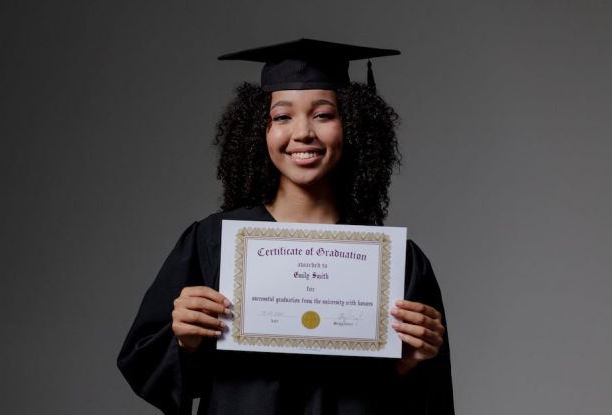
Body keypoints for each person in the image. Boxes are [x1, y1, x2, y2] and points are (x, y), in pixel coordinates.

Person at [117, 38, 454, 414]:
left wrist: (410, 366)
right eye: (282, 116)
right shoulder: (214, 243)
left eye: (323, 114)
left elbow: (429, 402)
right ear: (258, 130)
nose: (303, 133)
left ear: (354, 125)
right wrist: (184, 342)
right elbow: (147, 368)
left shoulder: (394, 263)